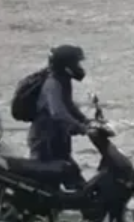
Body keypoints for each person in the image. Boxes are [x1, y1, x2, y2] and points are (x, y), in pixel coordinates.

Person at [27, 44, 91, 190]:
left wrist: (86, 120)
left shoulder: (63, 80)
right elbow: (58, 112)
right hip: (44, 142)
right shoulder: (53, 83)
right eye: (76, 63)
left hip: (57, 140)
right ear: (66, 65)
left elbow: (69, 105)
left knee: (74, 177)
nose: (79, 67)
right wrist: (80, 127)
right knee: (49, 185)